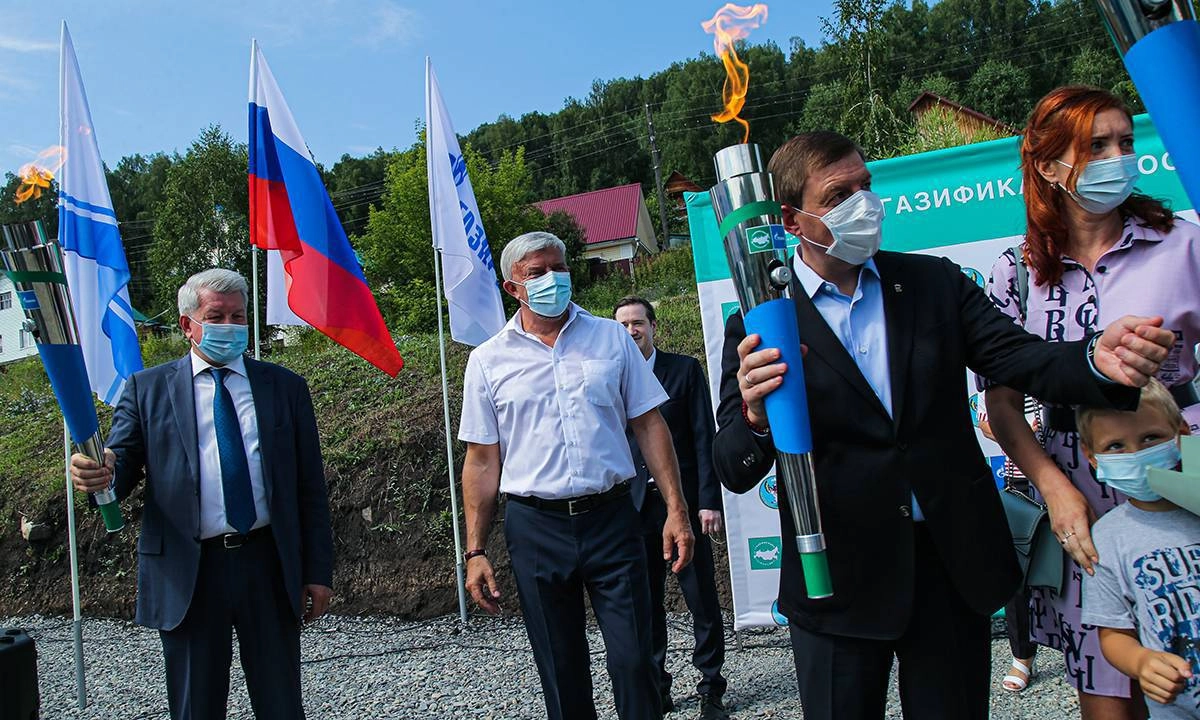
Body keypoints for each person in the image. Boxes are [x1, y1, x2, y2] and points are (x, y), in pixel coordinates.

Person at [713, 130, 1176, 720]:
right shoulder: (760, 321)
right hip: (837, 577)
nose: (863, 204)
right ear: (791, 219)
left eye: (865, 186)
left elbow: (1020, 358)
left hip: (950, 566)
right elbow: (732, 464)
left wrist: (1094, 360)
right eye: (838, 196)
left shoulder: (933, 284)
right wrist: (757, 417)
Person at [984, 85, 1200, 719]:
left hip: (1183, 484)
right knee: (1107, 686)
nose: (1118, 158)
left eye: (1124, 142)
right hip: (1079, 503)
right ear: (1050, 165)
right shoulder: (1016, 271)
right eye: (1096, 146)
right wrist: (1054, 489)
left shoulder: (1183, 245)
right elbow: (1002, 405)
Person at [69, 268, 333, 720]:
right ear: (187, 324)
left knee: (282, 704)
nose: (229, 326)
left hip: (268, 565)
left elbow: (310, 486)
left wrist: (318, 570)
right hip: (189, 572)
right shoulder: (148, 389)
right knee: (196, 706)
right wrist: (99, 472)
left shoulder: (284, 387)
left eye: (237, 316)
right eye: (216, 316)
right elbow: (120, 468)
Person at [458, 232, 695, 720]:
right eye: (537, 272)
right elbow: (481, 460)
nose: (552, 279)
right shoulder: (487, 360)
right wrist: (475, 551)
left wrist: (677, 508)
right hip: (536, 528)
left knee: (635, 659)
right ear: (512, 288)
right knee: (561, 668)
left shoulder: (610, 338)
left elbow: (649, 424)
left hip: (613, 518)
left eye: (559, 267)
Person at [613, 296, 728, 720]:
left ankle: (711, 686)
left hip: (683, 505)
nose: (631, 331)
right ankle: (658, 686)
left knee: (701, 599)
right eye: (623, 325)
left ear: (653, 326)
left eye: (638, 323)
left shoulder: (683, 370)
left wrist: (708, 502)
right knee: (646, 603)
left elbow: (703, 436)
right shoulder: (611, 375)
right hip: (634, 509)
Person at [1077, 379, 1199, 718]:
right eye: (1116, 445)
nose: (1136, 454)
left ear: (1181, 433)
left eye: (1150, 438)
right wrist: (1141, 661)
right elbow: (1114, 634)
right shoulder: (1106, 538)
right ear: (1092, 457)